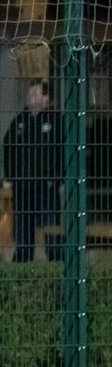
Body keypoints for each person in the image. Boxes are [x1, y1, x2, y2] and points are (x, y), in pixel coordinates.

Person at [2, 82, 61, 263]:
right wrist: (11, 177)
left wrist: (56, 178)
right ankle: (22, 265)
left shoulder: (56, 121)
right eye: (30, 93)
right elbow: (8, 148)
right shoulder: (19, 121)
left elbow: (63, 151)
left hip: (46, 188)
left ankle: (57, 263)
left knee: (51, 229)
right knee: (23, 231)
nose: (30, 96)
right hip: (23, 187)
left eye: (35, 93)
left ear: (46, 99)